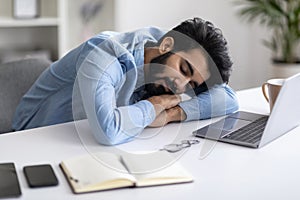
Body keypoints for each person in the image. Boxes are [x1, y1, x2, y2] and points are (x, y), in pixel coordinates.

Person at [12, 17, 239, 145]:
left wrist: (171, 114)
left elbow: (228, 98)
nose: (181, 85)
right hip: (35, 136)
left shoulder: (173, 45)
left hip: (86, 140)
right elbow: (108, 131)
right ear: (166, 46)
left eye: (192, 84)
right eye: (183, 69)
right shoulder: (103, 51)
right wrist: (154, 106)